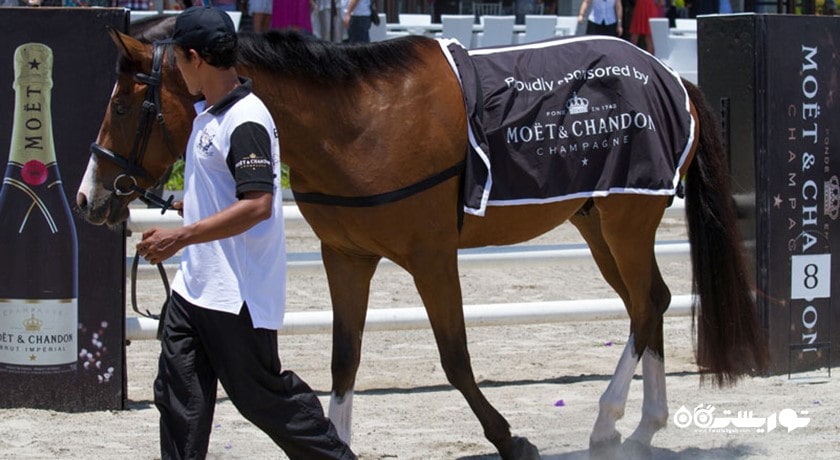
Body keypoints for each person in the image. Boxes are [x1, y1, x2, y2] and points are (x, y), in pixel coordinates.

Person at [140, 6, 356, 459]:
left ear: (195, 57)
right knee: (177, 396)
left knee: (263, 399)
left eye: (178, 60)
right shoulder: (210, 113)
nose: (178, 71)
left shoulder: (247, 119)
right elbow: (229, 187)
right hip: (194, 288)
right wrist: (192, 202)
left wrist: (181, 236)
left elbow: (257, 204)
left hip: (234, 294)